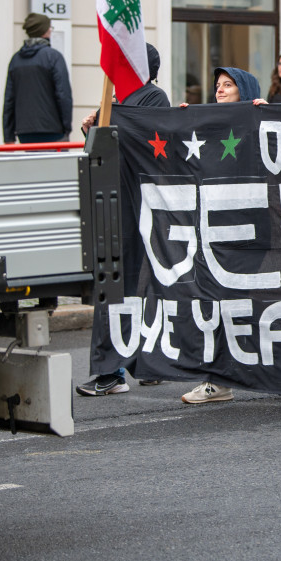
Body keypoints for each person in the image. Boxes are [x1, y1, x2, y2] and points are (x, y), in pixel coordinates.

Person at [75, 44, 173, 398]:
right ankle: (137, 364)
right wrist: (94, 129)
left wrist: (111, 121)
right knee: (125, 286)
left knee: (121, 286)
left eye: (122, 61)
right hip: (114, 206)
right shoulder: (117, 99)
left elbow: (149, 148)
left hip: (134, 207)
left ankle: (111, 371)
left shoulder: (153, 99)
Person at [179, 64, 263, 405]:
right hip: (214, 229)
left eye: (228, 84)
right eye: (218, 85)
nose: (220, 89)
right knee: (217, 303)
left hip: (250, 228)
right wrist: (181, 124)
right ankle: (218, 378)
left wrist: (267, 116)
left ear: (245, 90)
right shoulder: (208, 125)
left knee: (243, 304)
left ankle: (264, 371)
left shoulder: (260, 123)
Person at [3, 12, 73, 144]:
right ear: (45, 32)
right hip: (53, 130)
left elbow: (9, 100)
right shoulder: (53, 57)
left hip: (24, 132)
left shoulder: (16, 60)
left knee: (32, 164)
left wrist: (8, 136)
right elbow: (63, 95)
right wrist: (67, 128)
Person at [79, 44, 171, 136]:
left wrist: (115, 113)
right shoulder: (122, 94)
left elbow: (143, 135)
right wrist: (90, 128)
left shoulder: (156, 96)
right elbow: (106, 139)